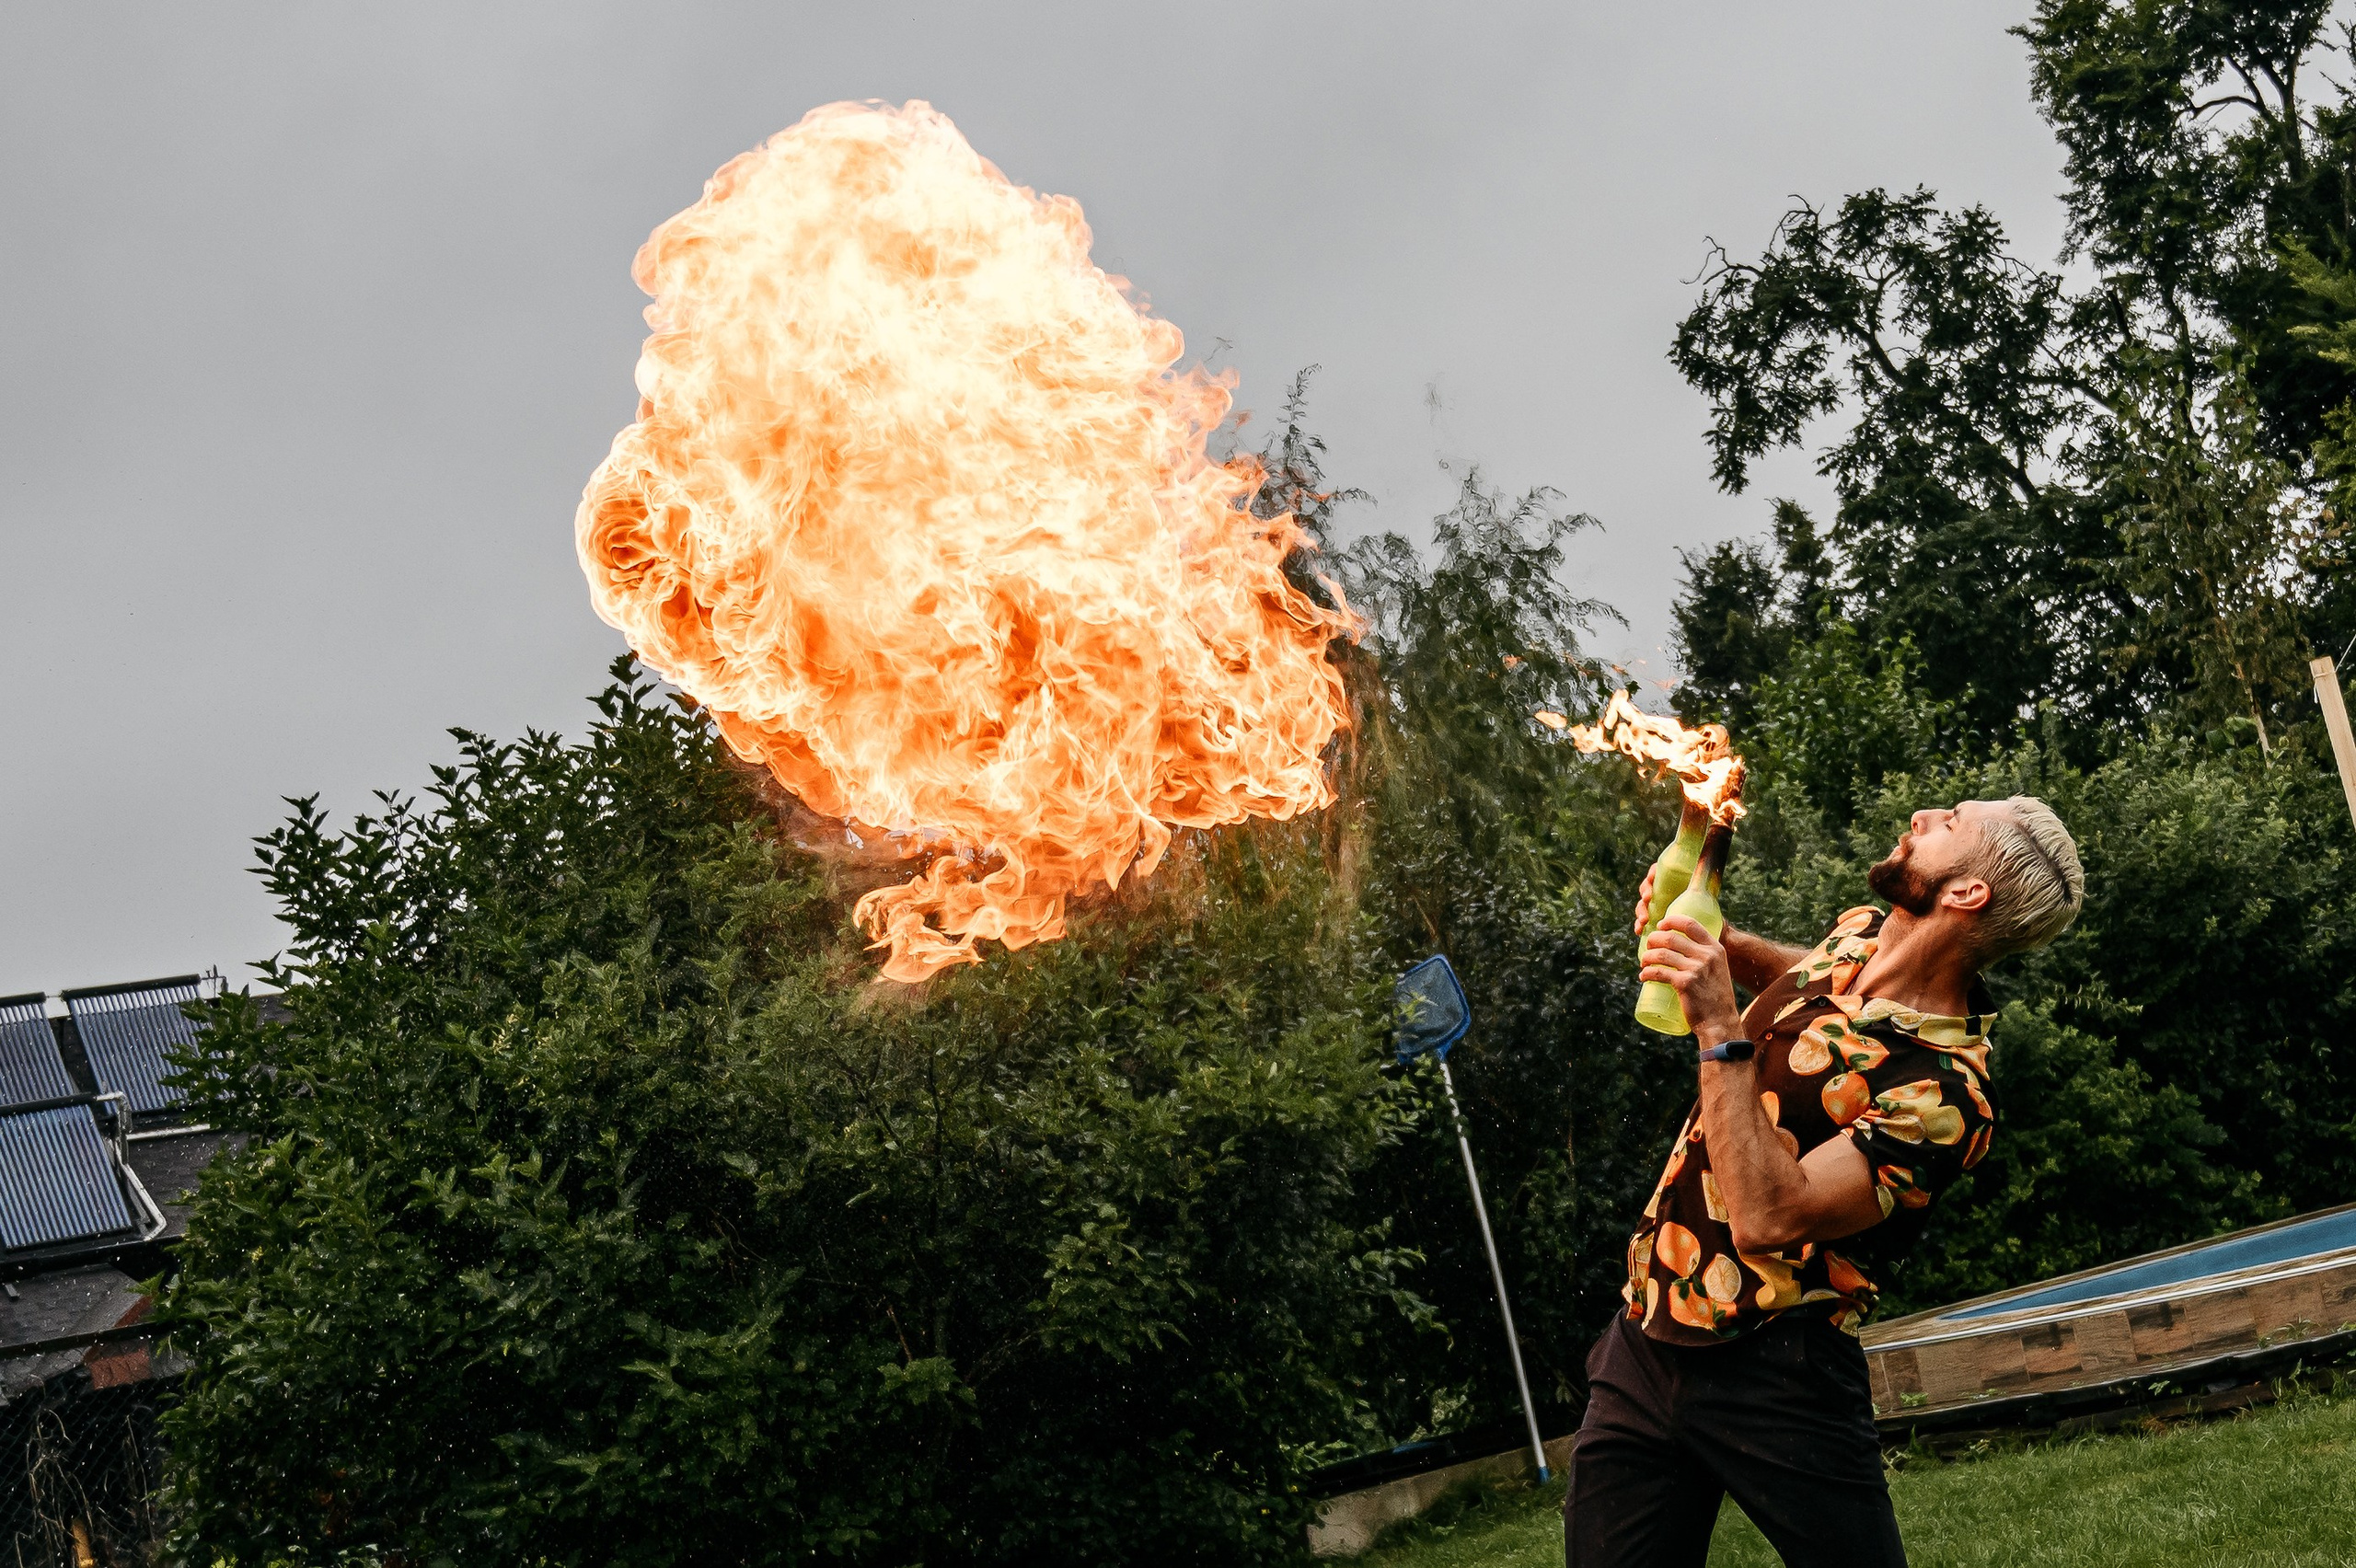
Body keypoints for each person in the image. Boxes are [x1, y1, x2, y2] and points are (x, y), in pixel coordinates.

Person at [1563, 798, 2085, 1568]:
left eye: (1949, 822)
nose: (1922, 812)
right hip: (1649, 1333)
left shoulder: (1945, 1096)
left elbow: (1772, 1216)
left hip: (1778, 1371)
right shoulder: (1861, 935)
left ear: (1966, 892)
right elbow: (1811, 987)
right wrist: (1722, 948)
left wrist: (1717, 1026)